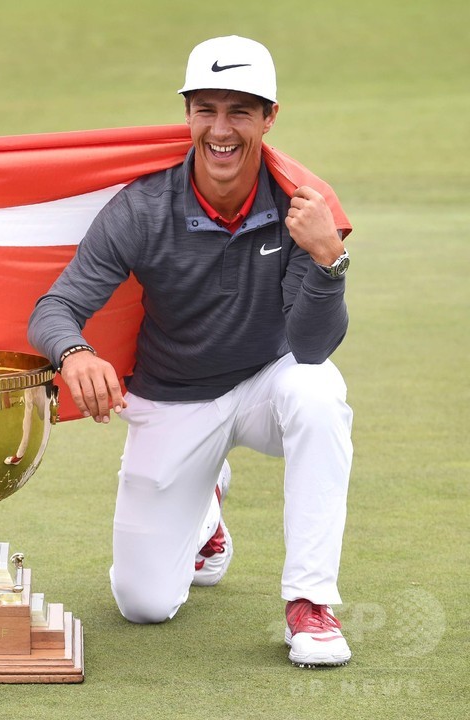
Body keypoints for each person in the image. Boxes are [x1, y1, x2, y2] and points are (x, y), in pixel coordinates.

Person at [28, 36, 354, 667]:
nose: (222, 129)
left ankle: (309, 602)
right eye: (207, 108)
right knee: (143, 603)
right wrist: (73, 354)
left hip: (266, 384)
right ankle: (206, 508)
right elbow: (53, 308)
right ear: (187, 115)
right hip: (172, 398)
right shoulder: (142, 208)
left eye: (240, 110)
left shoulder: (300, 206)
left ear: (269, 117)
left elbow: (311, 347)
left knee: (319, 394)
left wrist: (328, 260)